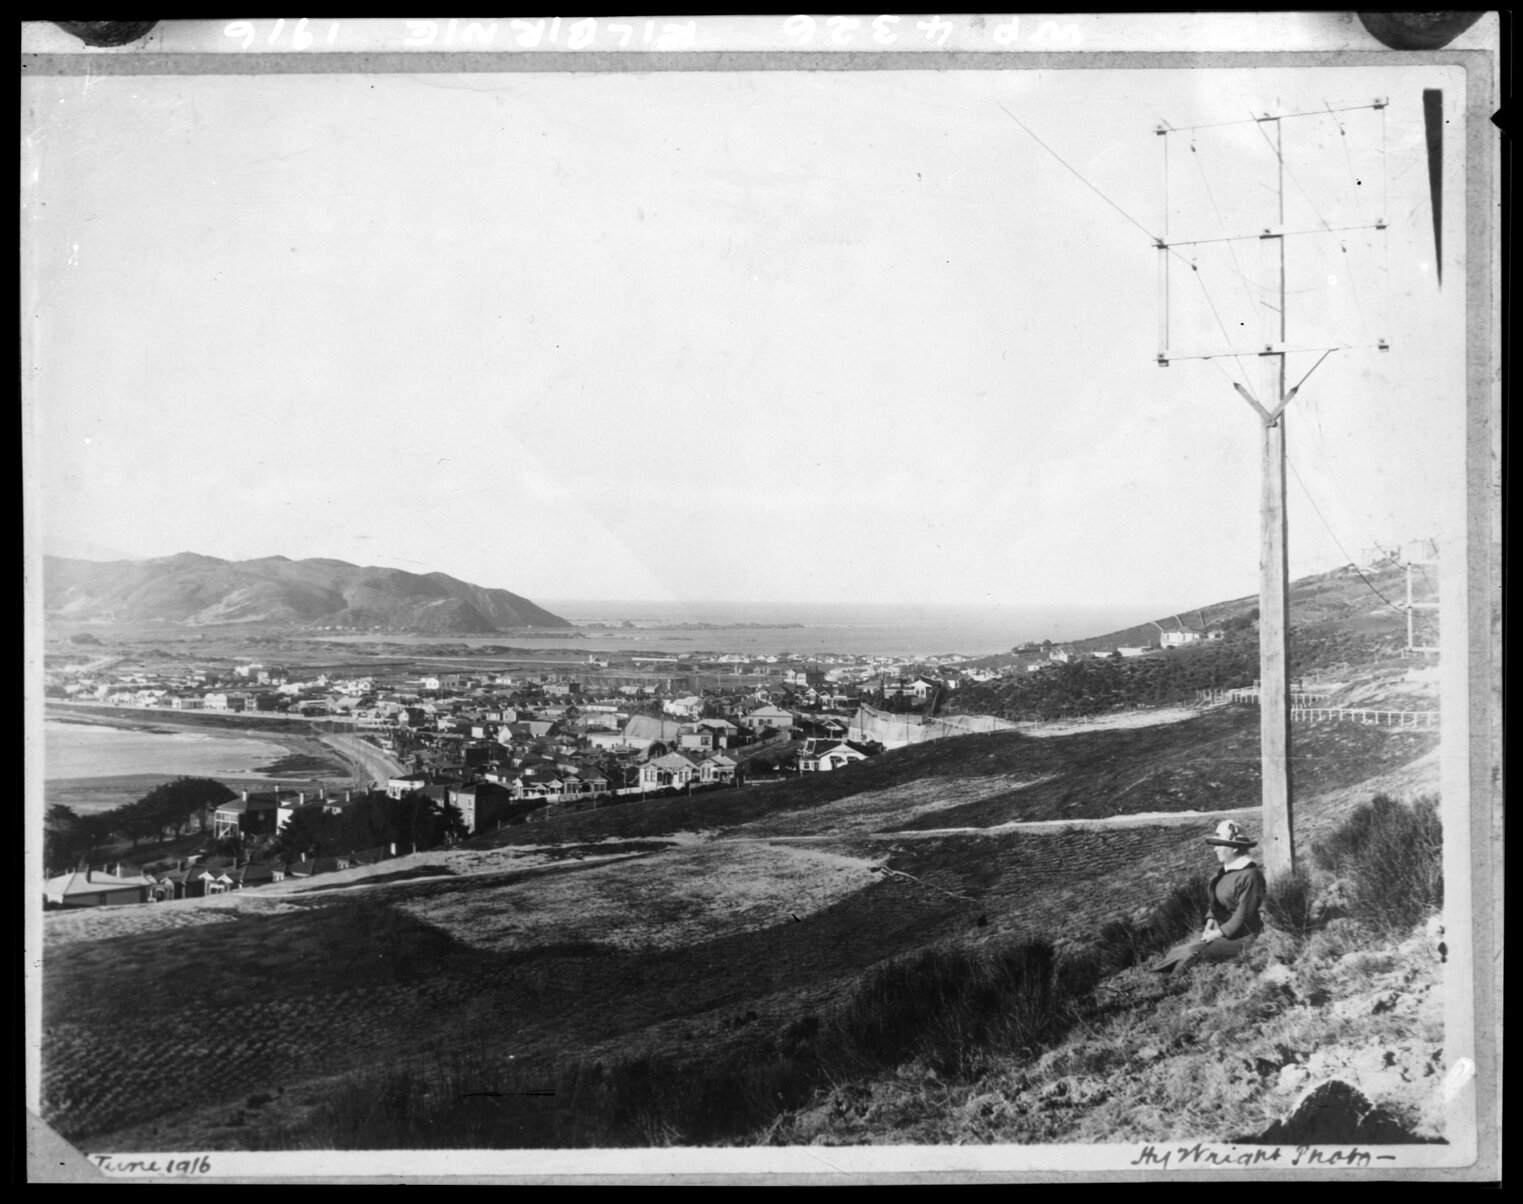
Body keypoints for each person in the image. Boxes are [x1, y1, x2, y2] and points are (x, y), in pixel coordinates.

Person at [1149, 819, 1268, 976]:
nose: (1215, 849)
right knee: (1177, 951)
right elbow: (1215, 902)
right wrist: (1210, 924)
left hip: (1243, 937)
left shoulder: (1250, 876)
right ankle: (1158, 979)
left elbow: (1243, 915)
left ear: (1234, 848)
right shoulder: (1227, 870)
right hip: (1223, 932)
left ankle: (1172, 986)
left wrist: (1216, 934)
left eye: (1220, 845)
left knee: (1192, 954)